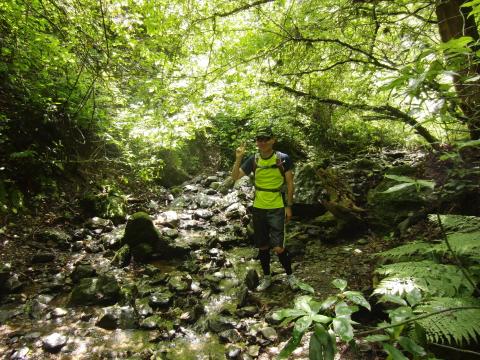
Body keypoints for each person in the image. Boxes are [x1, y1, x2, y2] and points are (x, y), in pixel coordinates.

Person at [231, 126, 299, 291]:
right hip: (258, 207)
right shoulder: (253, 159)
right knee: (262, 246)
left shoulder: (283, 159)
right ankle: (267, 278)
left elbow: (290, 183)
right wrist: (239, 158)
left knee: (278, 247)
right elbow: (234, 177)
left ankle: (290, 276)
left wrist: (289, 206)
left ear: (272, 140)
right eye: (259, 139)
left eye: (265, 139)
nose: (262, 142)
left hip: (277, 206)